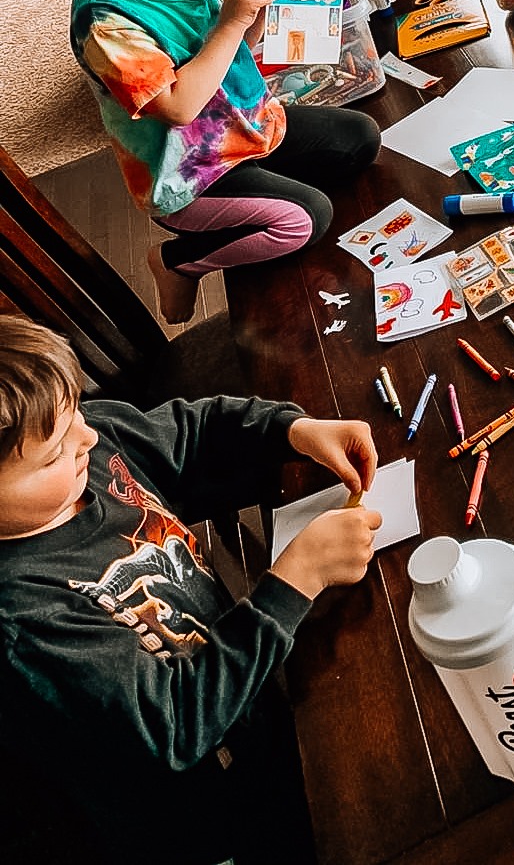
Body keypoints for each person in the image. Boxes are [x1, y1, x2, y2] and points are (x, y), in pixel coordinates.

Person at [0, 315, 382, 865]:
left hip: (253, 707)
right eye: (56, 451)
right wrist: (295, 581)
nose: (88, 436)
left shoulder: (87, 445)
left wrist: (290, 432)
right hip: (210, 815)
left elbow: (192, 433)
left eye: (77, 410)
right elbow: (175, 721)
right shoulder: (23, 622)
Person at [0, 0, 381, 324]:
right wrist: (229, 24)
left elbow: (236, 41)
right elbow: (178, 107)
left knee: (360, 135)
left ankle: (264, 195)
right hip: (189, 174)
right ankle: (179, 264)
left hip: (248, 131)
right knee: (306, 219)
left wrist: (263, 9)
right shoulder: (104, 21)